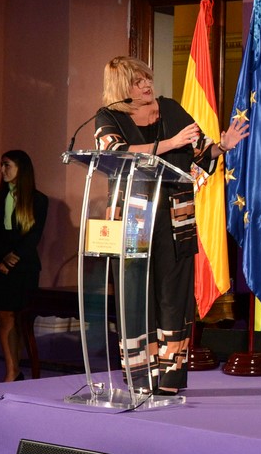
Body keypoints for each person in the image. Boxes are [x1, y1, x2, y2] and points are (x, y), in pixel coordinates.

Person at [94, 56, 249, 394]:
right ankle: (141, 376)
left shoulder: (172, 109)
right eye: (137, 82)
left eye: (147, 79)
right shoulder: (109, 117)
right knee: (136, 295)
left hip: (176, 218)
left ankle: (170, 378)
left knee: (174, 297)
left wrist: (222, 146)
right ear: (121, 87)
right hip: (133, 219)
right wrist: (171, 143)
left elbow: (200, 151)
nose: (147, 85)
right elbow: (116, 153)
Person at [0, 150, 48, 383]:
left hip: (24, 265)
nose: (2, 170)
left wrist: (15, 257)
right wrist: (3, 257)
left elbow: (34, 234)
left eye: (7, 165)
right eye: (1, 165)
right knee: (4, 317)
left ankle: (18, 366)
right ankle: (11, 370)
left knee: (21, 317)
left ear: (21, 168)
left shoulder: (38, 199)